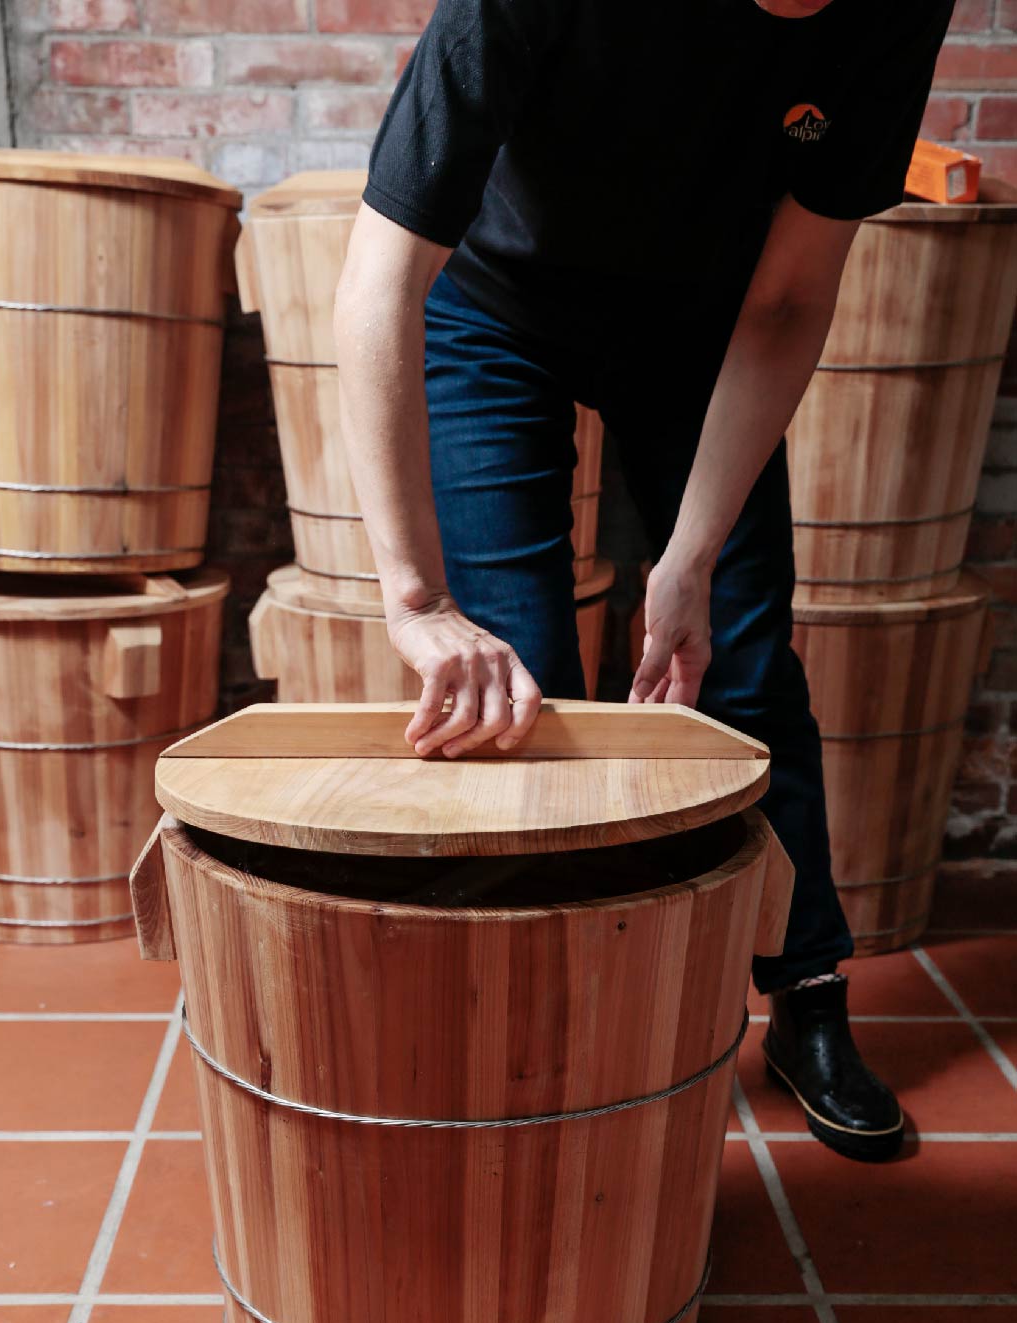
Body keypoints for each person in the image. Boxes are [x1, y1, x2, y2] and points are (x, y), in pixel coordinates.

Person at [333, 0, 957, 1162]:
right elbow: (381, 274)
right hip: (497, 307)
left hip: (707, 323)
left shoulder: (897, 6)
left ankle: (808, 996)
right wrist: (414, 600)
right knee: (516, 687)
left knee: (747, 663)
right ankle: (549, 1023)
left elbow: (786, 296)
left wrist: (689, 558)